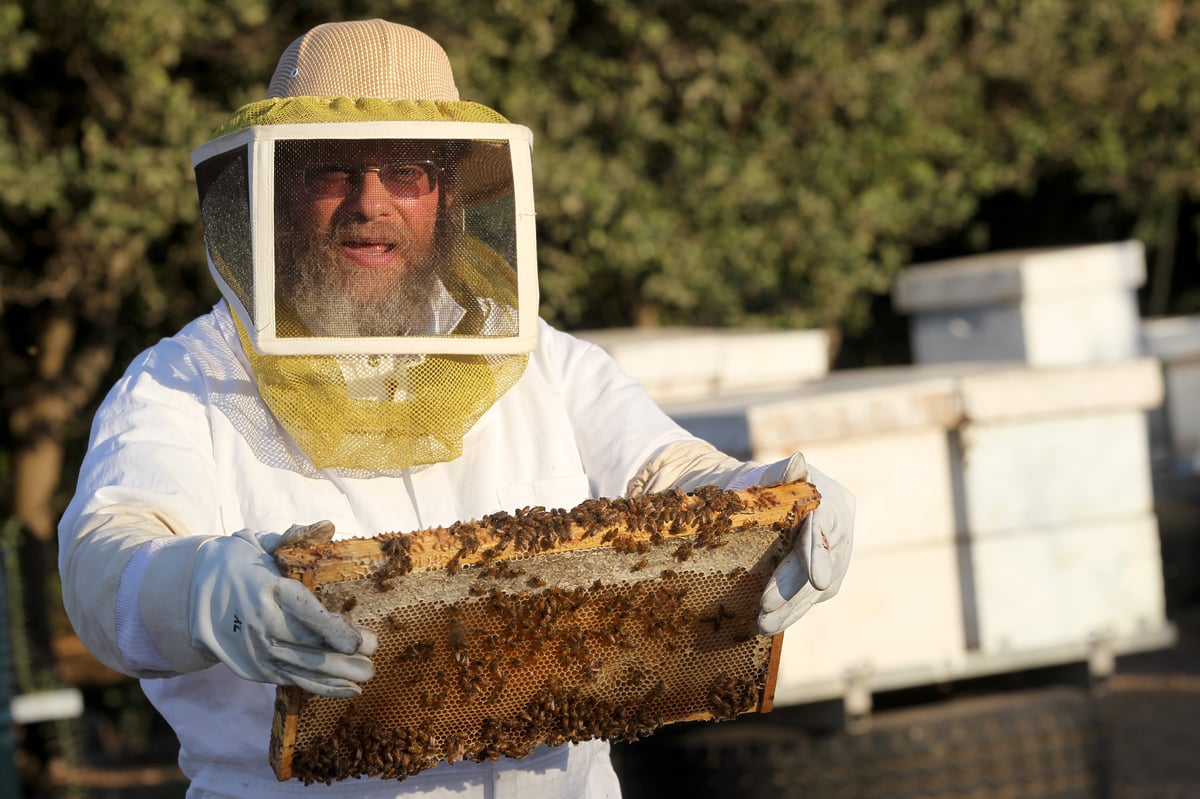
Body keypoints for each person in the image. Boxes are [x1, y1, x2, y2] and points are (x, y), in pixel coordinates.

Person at [57, 19, 854, 799]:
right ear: (273, 190)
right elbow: (105, 563)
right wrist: (197, 586)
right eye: (331, 170)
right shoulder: (185, 381)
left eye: (405, 170)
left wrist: (781, 500)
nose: (371, 203)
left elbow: (671, 475)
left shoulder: (538, 356)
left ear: (443, 194)